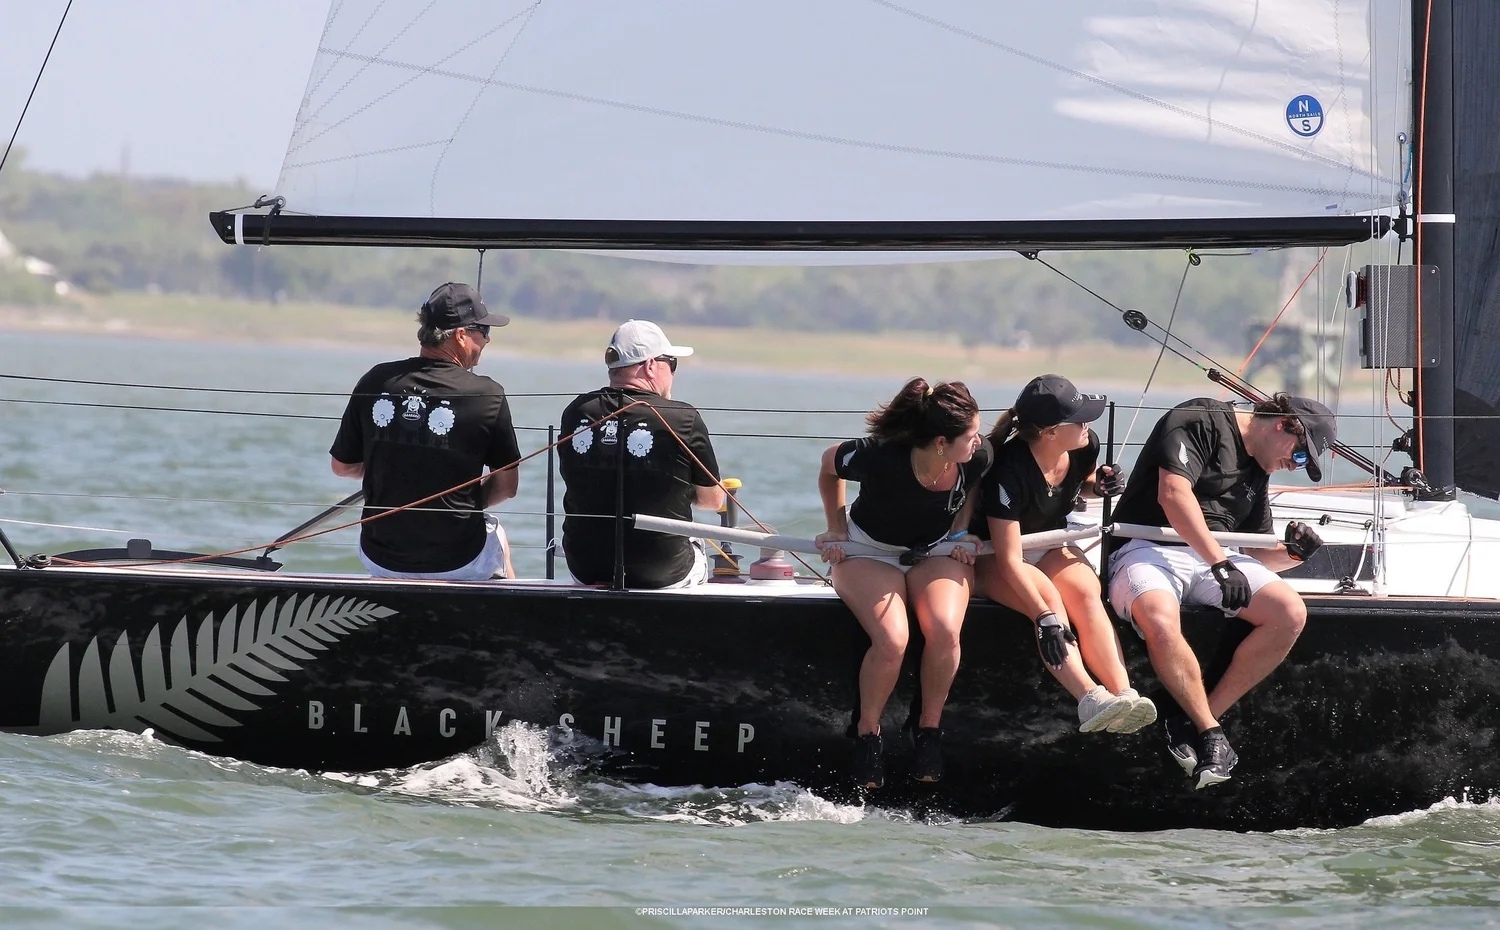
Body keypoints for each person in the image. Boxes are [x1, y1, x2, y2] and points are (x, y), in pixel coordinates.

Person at [1107, 393, 1335, 789]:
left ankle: (1198, 724)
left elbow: (1253, 556)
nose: (1294, 467)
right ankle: (1211, 731)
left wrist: (1295, 555)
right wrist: (1220, 563)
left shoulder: (1259, 470)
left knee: (1289, 612)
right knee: (1159, 615)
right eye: (1300, 456)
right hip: (1147, 546)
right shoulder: (1201, 417)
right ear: (1283, 425)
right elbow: (1173, 494)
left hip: (1216, 559)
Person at [816, 378, 989, 789]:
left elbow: (974, 488)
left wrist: (962, 532)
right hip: (867, 551)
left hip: (934, 551)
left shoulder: (975, 456)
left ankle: (928, 731)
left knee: (945, 630)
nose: (979, 441)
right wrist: (835, 528)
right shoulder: (881, 456)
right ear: (941, 443)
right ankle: (868, 735)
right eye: (971, 435)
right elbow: (827, 466)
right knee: (893, 640)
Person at [971, 375, 1157, 735]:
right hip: (996, 554)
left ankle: (1124, 693)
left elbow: (1081, 485)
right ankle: (1090, 698)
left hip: (1048, 541)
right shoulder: (1008, 470)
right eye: (1080, 419)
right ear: (1050, 432)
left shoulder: (1084, 446)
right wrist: (1043, 617)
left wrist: (1098, 486)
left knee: (1088, 594)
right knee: (1051, 603)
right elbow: (1010, 560)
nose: (1089, 424)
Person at [330, 282, 521, 580]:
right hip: (458, 558)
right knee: (499, 538)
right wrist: (464, 501)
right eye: (483, 332)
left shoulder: (375, 381)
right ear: (460, 335)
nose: (487, 340)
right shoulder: (488, 395)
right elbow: (506, 487)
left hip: (380, 556)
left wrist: (393, 470)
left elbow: (342, 467)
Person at [558, 320, 724, 588]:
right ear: (649, 365)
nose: (673, 372)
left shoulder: (576, 411)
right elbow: (713, 500)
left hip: (585, 566)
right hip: (662, 571)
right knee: (697, 544)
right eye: (671, 363)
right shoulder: (682, 417)